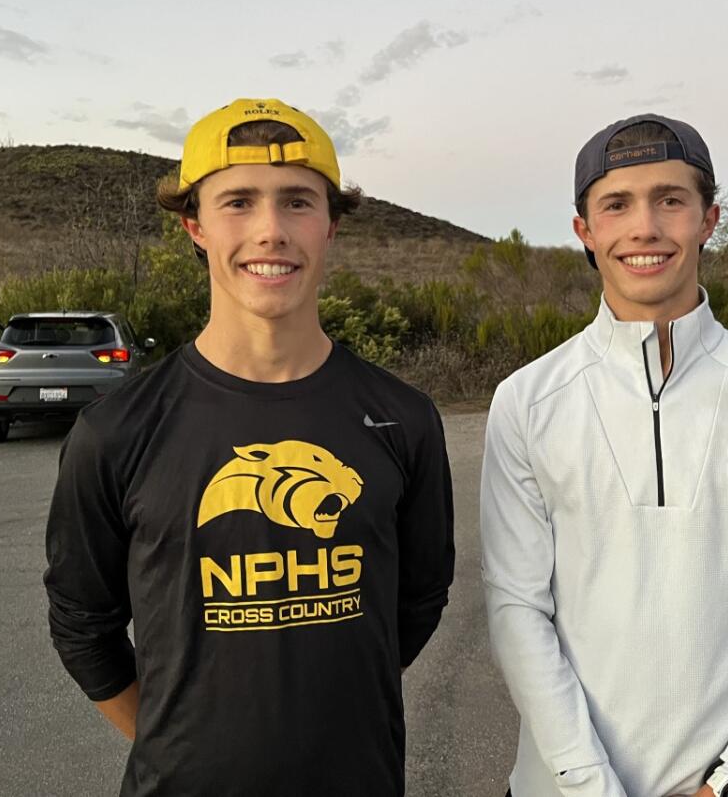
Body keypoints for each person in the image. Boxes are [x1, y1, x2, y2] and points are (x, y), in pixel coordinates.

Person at [44, 98, 455, 796]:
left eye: (297, 202)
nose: (270, 231)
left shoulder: (402, 419)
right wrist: (179, 742)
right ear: (194, 225)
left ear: (331, 226)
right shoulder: (118, 430)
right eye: (238, 202)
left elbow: (417, 602)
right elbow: (83, 623)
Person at [480, 114, 728, 797]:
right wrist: (588, 784)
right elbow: (517, 611)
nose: (645, 227)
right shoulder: (527, 402)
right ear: (584, 232)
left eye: (671, 200)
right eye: (616, 204)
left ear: (708, 219)